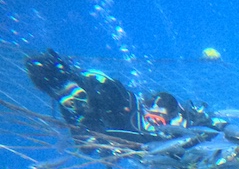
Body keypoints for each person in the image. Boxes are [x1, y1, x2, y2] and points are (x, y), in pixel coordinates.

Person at [24, 48, 221, 142]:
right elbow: (83, 142)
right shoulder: (65, 102)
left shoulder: (91, 79)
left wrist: (93, 119)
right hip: (119, 123)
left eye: (160, 116)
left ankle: (216, 127)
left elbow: (116, 95)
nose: (155, 117)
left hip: (122, 119)